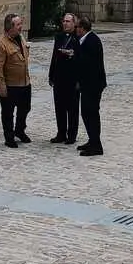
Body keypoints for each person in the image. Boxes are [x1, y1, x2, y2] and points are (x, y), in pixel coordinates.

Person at [0, 13, 32, 148]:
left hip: (25, 82)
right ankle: (9, 137)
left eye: (21, 23)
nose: (21, 26)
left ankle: (19, 131)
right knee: (8, 113)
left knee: (25, 108)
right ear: (10, 27)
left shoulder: (21, 38)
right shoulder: (1, 44)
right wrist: (1, 86)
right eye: (18, 24)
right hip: (10, 85)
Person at [75, 15, 107, 156]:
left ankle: (96, 145)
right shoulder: (86, 40)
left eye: (77, 27)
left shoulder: (91, 41)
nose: (75, 29)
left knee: (91, 113)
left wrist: (74, 55)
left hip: (92, 85)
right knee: (86, 113)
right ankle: (92, 140)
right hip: (89, 84)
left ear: (82, 28)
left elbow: (88, 64)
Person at [48, 12, 79, 145]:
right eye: (64, 21)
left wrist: (72, 54)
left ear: (74, 23)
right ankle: (61, 133)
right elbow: (54, 57)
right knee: (59, 106)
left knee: (72, 108)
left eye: (68, 21)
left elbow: (81, 59)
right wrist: (51, 75)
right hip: (59, 77)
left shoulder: (77, 37)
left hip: (72, 78)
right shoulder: (59, 37)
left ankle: (72, 134)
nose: (65, 24)